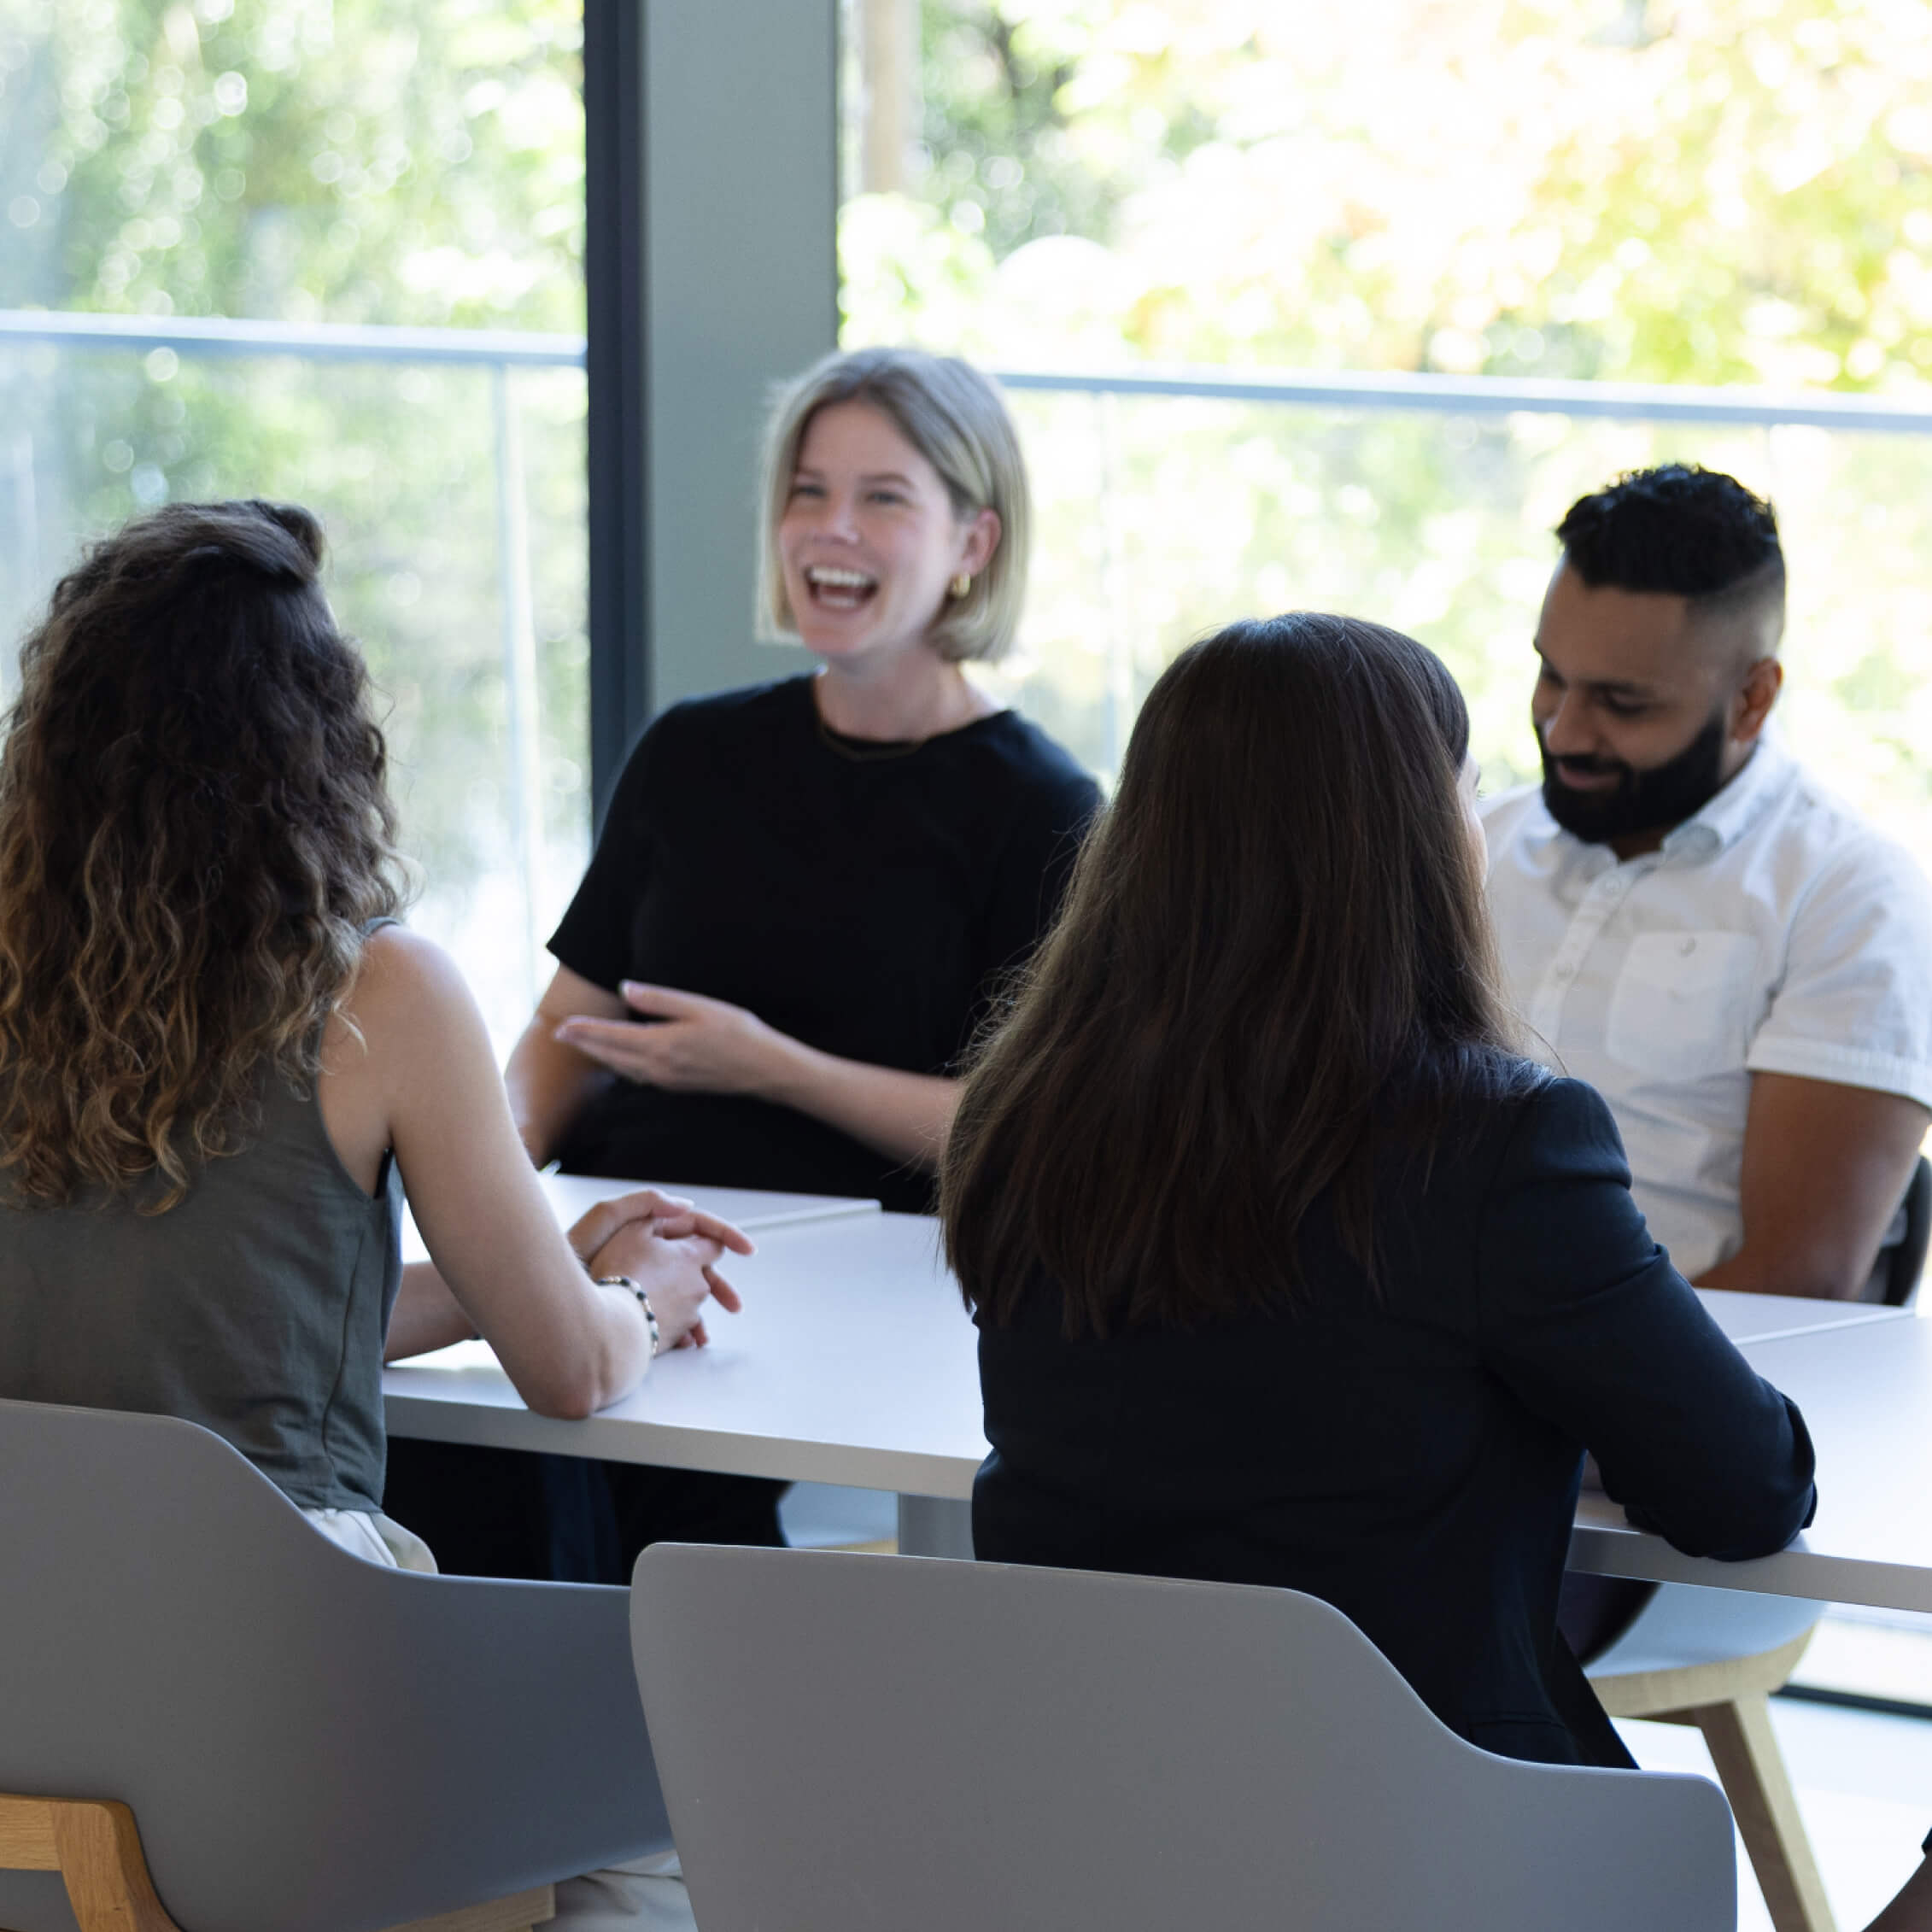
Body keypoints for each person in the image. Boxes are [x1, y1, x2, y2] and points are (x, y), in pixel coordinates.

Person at [0, 500, 747, 1927]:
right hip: (270, 1700)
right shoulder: (375, 993)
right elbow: (576, 1371)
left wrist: (491, 1272)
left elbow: (218, 1311)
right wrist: (633, 1293)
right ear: (312, 746)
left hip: (29, 1690)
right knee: (676, 1769)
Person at [942, 612, 1816, 1770]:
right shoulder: (1505, 1142)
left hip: (1084, 1819)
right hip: (1422, 1835)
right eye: (1462, 782)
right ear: (1409, 835)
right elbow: (1747, 1487)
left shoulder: (1027, 1115)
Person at [387, 346, 1102, 1578]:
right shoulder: (693, 755)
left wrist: (770, 1068)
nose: (831, 528)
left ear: (973, 541)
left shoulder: (1041, 807)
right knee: (452, 1457)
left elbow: (1026, 1133)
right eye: (807, 491)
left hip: (860, 1278)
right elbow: (561, 1039)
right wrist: (474, 1186)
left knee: (677, 1527)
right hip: (633, 1234)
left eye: (883, 496)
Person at [1482, 464, 1932, 1303]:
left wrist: (1566, 1413)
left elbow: (1802, 1276)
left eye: (1624, 703)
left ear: (1753, 699)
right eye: (1552, 676)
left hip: (1671, 1404)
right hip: (1433, 1379)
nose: (1565, 730)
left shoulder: (1847, 895)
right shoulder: (1477, 843)